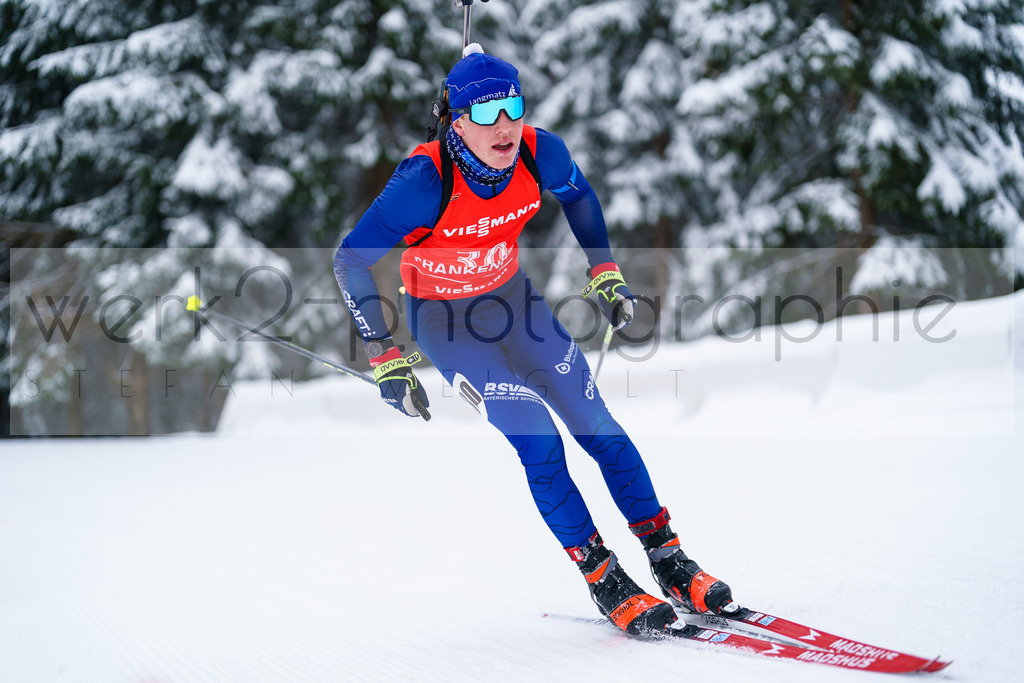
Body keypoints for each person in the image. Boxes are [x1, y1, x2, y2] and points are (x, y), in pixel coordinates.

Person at [334, 46, 734, 636]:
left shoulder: (540, 152)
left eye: (513, 107)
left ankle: (670, 561)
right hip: (446, 325)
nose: (504, 125)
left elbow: (580, 196)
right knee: (539, 438)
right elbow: (350, 260)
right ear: (456, 122)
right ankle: (604, 578)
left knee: (598, 425)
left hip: (514, 304)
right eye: (485, 112)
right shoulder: (423, 181)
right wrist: (384, 354)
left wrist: (604, 270)